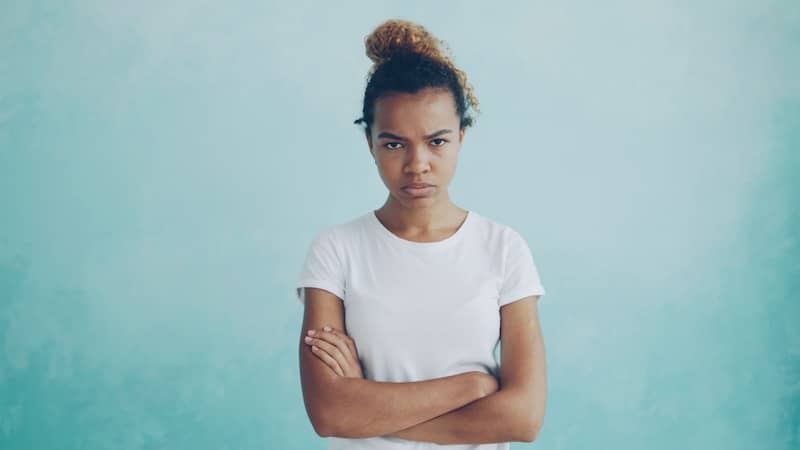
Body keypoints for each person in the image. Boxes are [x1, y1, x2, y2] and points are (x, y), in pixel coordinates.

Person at [294, 18, 549, 450]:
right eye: (394, 143)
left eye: (437, 141)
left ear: (462, 138)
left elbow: (523, 419)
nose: (417, 164)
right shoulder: (336, 251)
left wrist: (366, 413)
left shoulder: (504, 249)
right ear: (369, 142)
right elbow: (329, 413)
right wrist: (471, 386)